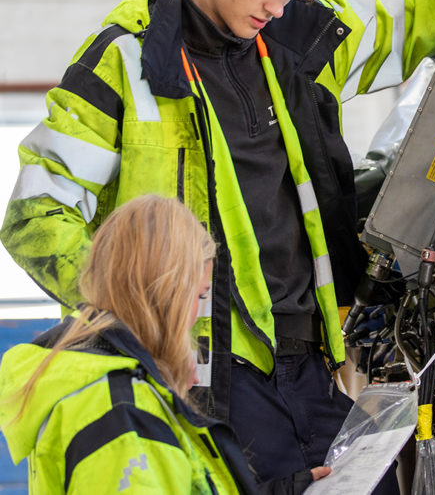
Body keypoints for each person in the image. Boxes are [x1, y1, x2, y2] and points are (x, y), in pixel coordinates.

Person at [0, 0, 435, 488]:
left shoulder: (298, 42)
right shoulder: (128, 61)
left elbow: (409, 17)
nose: (277, 7)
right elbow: (33, 218)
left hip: (306, 364)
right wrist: (139, 312)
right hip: (205, 373)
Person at [0, 194, 329, 493]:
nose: (193, 318)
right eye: (198, 296)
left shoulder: (99, 387)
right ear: (167, 293)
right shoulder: (124, 414)